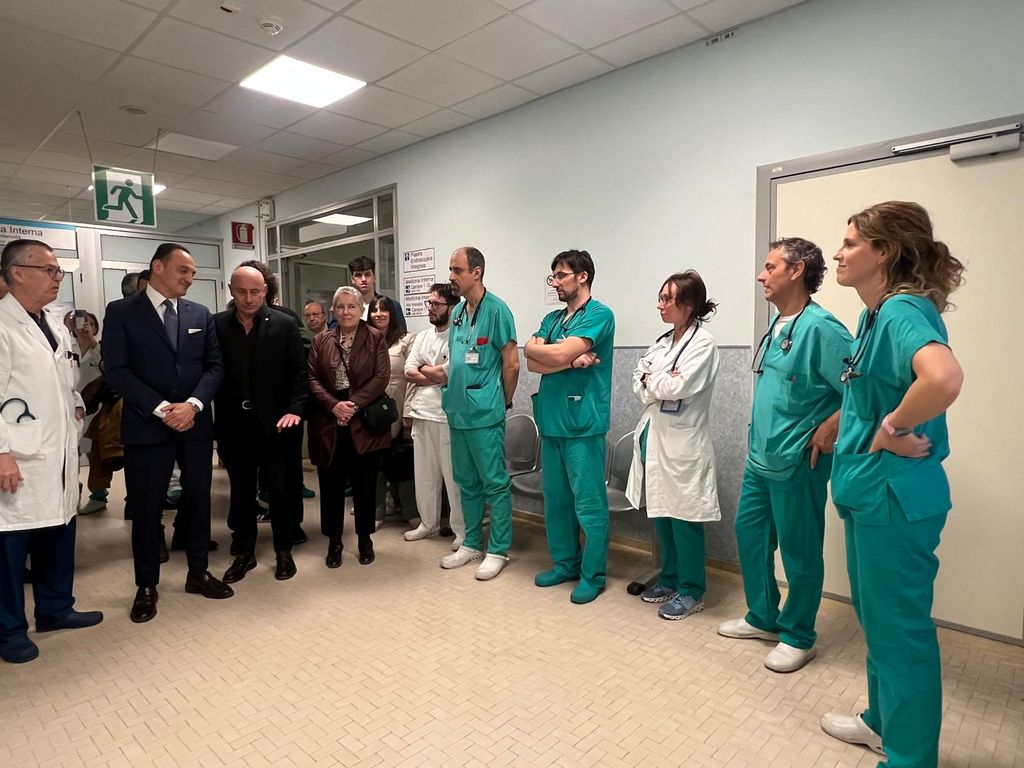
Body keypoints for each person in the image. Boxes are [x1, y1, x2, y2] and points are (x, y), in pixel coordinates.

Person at [820, 202, 964, 768]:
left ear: (885, 252)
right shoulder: (873, 315)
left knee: (900, 633)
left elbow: (943, 378)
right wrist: (852, 422)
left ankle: (909, 758)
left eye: (851, 243)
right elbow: (874, 388)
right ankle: (882, 723)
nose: (838, 253)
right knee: (879, 622)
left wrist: (892, 427)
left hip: (894, 498)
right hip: (870, 493)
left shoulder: (902, 310)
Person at [717, 238, 853, 672]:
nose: (761, 276)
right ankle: (763, 617)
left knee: (799, 549)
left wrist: (831, 426)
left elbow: (862, 390)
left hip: (798, 461)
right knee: (750, 535)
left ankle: (798, 635)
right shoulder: (778, 324)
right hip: (761, 456)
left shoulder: (823, 329)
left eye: (770, 267)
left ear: (797, 271)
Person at [102, 243, 232, 624]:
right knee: (146, 507)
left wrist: (192, 405)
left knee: (198, 500)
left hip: (194, 425)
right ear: (157, 267)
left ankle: (198, 572)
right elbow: (117, 370)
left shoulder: (200, 314)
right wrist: (162, 409)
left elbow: (215, 366)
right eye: (183, 271)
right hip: (147, 424)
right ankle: (146, 585)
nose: (190, 279)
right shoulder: (122, 312)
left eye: (193, 273)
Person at [0, 239, 103, 664]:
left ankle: (56, 608)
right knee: (11, 546)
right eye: (48, 270)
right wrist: (2, 453)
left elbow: (66, 381)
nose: (57, 277)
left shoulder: (55, 325)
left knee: (58, 531)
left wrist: (75, 404)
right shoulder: (2, 326)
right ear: (17, 272)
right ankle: (9, 630)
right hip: (18, 456)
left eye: (58, 270)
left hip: (57, 451)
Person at [626, 270, 720, 620]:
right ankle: (668, 579)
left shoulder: (703, 344)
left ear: (689, 304)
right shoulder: (662, 342)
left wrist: (654, 381)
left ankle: (692, 590)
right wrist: (655, 381)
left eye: (667, 299)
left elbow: (676, 388)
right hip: (655, 436)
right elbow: (638, 382)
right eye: (660, 297)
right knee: (662, 513)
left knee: (685, 518)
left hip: (683, 442)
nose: (660, 305)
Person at [524, 249, 615, 604]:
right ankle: (565, 563)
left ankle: (593, 575)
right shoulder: (552, 318)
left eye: (561, 275)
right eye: (554, 276)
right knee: (557, 502)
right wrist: (569, 360)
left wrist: (556, 354)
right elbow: (530, 359)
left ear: (582, 276)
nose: (555, 283)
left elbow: (553, 354)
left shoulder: (600, 315)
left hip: (582, 424)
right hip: (552, 423)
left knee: (589, 505)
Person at [215, 266, 307, 584]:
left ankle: (283, 550)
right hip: (234, 424)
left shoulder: (284, 324)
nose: (248, 298)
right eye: (241, 291)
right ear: (231, 290)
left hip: (276, 424)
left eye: (255, 292)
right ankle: (244, 551)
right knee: (241, 491)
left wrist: (295, 409)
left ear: (265, 291)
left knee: (279, 489)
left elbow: (299, 373)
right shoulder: (218, 325)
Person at [440, 247, 519, 580]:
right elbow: (455, 359)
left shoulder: (498, 310)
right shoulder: (458, 312)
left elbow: (512, 363)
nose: (451, 277)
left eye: (457, 270)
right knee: (466, 482)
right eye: (450, 270)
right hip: (458, 410)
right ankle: (471, 543)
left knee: (494, 484)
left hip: (485, 412)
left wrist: (503, 401)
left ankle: (498, 550)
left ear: (477, 272)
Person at [307, 286, 390, 567]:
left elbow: (381, 377)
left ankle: (365, 539)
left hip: (363, 421)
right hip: (329, 421)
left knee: (365, 485)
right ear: (333, 310)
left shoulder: (375, 338)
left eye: (351, 306)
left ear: (361, 309)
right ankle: (334, 542)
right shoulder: (321, 340)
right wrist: (334, 406)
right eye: (340, 306)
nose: (345, 312)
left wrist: (352, 405)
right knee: (330, 485)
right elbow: (312, 379)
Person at [403, 284, 465, 546]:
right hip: (422, 412)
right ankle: (428, 524)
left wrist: (427, 370)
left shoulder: (459, 336)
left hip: (446, 416)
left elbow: (448, 374)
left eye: (436, 304)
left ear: (452, 307)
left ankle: (462, 532)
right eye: (429, 303)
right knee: (425, 476)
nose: (430, 308)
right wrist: (434, 373)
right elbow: (408, 370)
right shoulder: (423, 336)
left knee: (454, 480)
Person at [368, 295, 417, 527]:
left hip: (398, 410)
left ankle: (409, 509)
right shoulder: (364, 340)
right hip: (372, 412)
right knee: (376, 464)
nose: (378, 314)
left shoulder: (406, 340)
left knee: (403, 461)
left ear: (393, 314)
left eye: (383, 310)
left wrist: (408, 412)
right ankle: (377, 511)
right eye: (374, 310)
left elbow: (413, 379)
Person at [348, 255, 407, 332]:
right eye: (358, 275)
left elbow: (402, 335)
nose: (363, 279)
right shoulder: (345, 309)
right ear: (352, 279)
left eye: (367, 274)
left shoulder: (393, 306)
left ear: (374, 277)